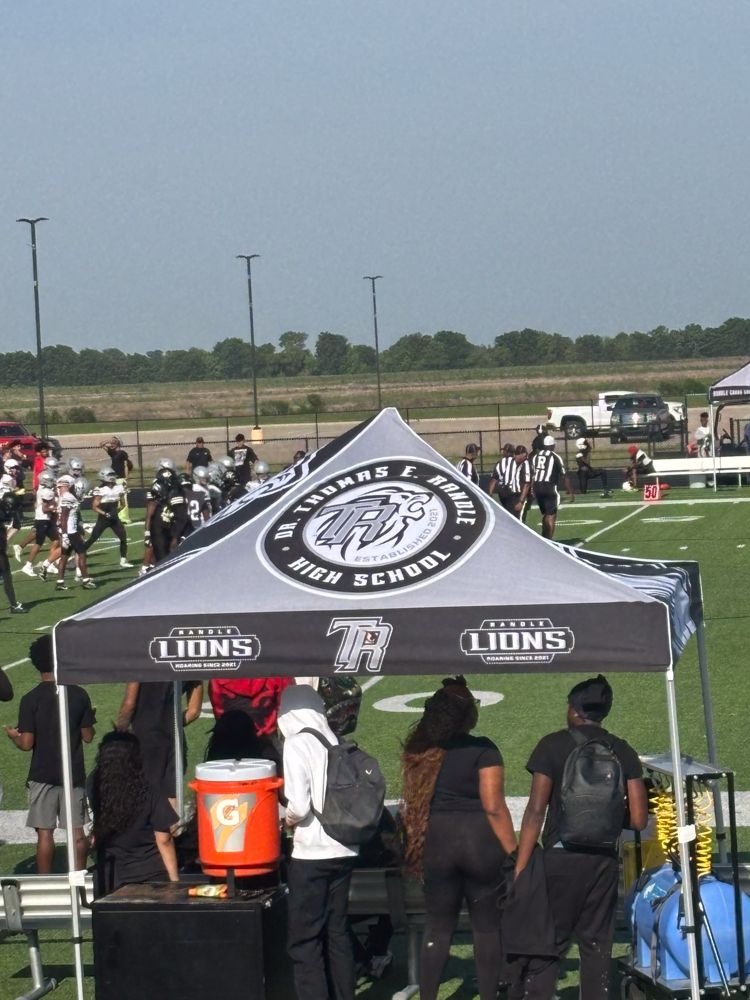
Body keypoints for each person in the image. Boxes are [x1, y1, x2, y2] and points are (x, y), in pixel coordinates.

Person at [513, 675, 648, 999]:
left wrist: (521, 865)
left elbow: (535, 810)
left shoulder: (551, 745)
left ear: (574, 710)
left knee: (550, 944)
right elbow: (640, 819)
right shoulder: (622, 750)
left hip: (559, 858)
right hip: (602, 860)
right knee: (596, 944)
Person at [400, 677, 516, 1000]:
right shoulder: (484, 749)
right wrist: (515, 851)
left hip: (437, 843)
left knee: (437, 927)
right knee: (487, 928)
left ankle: (428, 997)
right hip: (480, 845)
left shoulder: (422, 750)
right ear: (467, 716)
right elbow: (494, 807)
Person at [277, 684, 359, 1000]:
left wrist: (284, 819)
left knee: (304, 939)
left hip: (312, 852)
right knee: (337, 931)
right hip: (344, 846)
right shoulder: (334, 739)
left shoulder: (297, 744)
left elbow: (298, 805)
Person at [4, 636, 95, 872]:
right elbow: (88, 736)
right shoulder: (78, 694)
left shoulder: (30, 699)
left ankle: (45, 881)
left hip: (42, 774)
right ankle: (79, 878)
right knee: (77, 833)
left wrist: (13, 735)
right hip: (72, 774)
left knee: (45, 834)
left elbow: (26, 744)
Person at [90, 731, 179, 895]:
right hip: (149, 875)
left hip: (109, 875)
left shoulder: (95, 786)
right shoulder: (149, 789)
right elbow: (164, 839)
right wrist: (174, 881)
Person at [115, 680, 203, 808]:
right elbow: (194, 711)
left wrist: (119, 733)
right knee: (171, 797)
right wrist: (171, 723)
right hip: (174, 738)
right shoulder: (185, 662)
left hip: (144, 737)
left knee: (144, 795)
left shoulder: (140, 662)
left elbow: (129, 704)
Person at [84, 466, 133, 568]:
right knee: (93, 539)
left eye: (112, 475)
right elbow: (94, 507)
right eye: (109, 475)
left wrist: (116, 511)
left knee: (123, 538)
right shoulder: (100, 489)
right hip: (103, 518)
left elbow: (123, 503)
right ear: (103, 476)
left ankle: (123, 560)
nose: (111, 477)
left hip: (114, 518)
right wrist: (105, 513)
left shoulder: (118, 487)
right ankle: (79, 554)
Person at [55, 475, 95, 590]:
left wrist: (84, 525)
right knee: (82, 554)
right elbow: (64, 517)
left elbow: (73, 518)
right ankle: (86, 581)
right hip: (70, 532)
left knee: (64, 556)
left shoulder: (68, 496)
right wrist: (65, 534)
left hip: (67, 530)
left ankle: (60, 582)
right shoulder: (68, 497)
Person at [532, 436, 574, 539]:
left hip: (537, 487)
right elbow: (564, 476)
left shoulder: (536, 457)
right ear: (552, 445)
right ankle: (549, 540)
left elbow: (533, 474)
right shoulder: (555, 457)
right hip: (549, 487)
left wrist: (532, 488)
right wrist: (571, 492)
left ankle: (544, 536)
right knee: (551, 515)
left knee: (546, 514)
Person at [0, 474, 27, 613]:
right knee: (6, 575)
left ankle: (13, 604)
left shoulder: (6, 509)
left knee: (6, 575)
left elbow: (16, 525)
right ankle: (13, 605)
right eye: (13, 508)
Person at [101, 436, 133, 524]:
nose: (111, 445)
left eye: (114, 443)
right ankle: (116, 516)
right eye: (111, 443)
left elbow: (125, 465)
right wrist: (109, 440)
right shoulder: (112, 453)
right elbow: (101, 445)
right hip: (114, 478)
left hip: (121, 478)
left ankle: (124, 517)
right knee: (115, 498)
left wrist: (126, 477)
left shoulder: (122, 453)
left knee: (123, 498)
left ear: (118, 444)